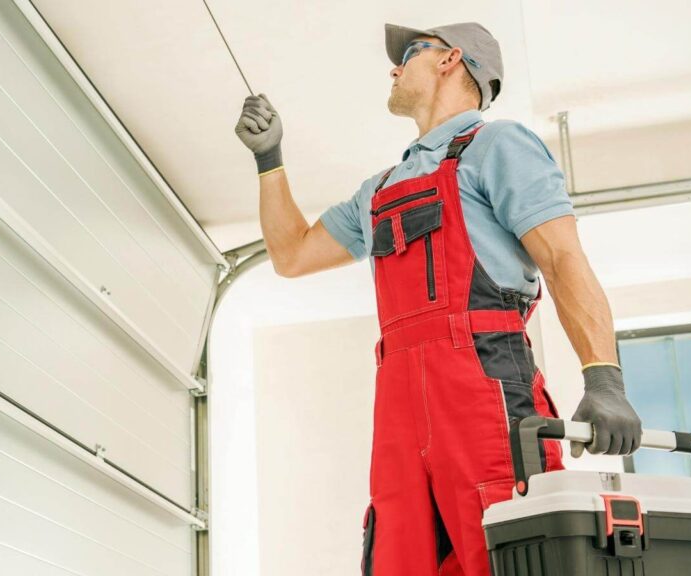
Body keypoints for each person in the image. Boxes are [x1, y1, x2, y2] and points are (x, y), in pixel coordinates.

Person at [234, 22, 643, 576]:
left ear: (451, 59)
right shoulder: (377, 189)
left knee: (505, 547)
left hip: (482, 381)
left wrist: (604, 377)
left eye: (408, 53)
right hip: (398, 401)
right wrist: (270, 160)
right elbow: (292, 256)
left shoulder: (498, 146)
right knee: (400, 555)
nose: (394, 67)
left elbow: (562, 259)